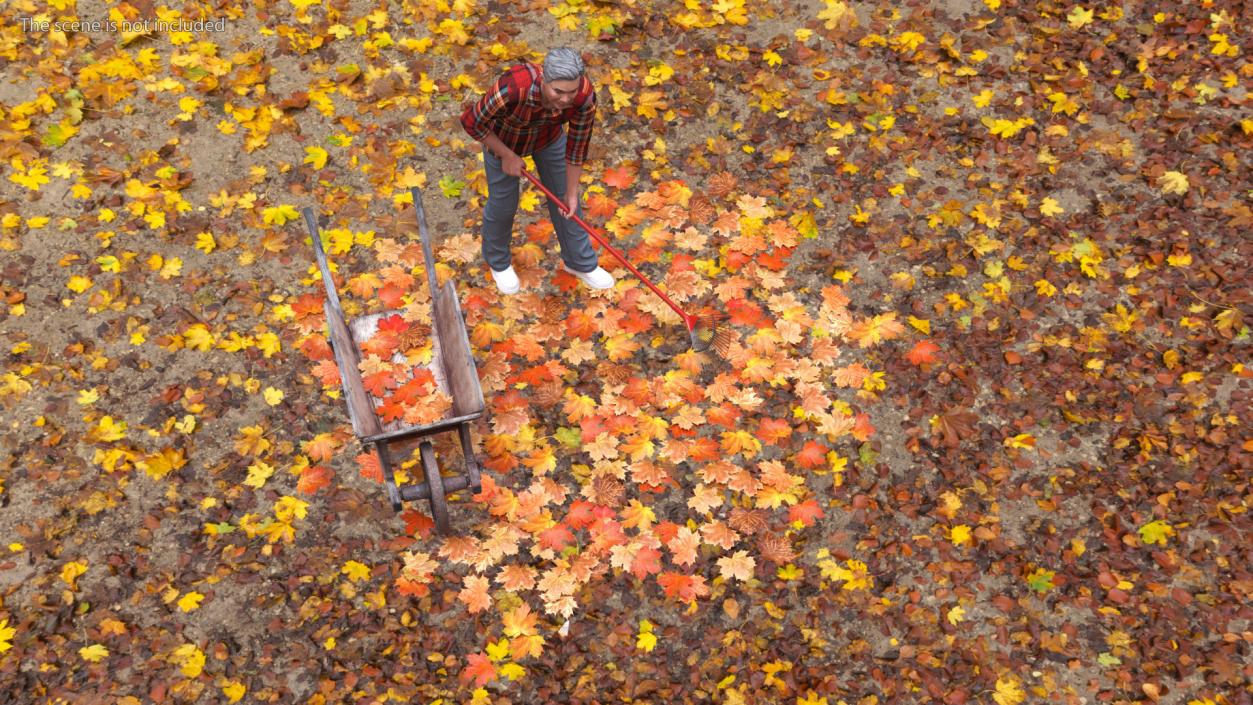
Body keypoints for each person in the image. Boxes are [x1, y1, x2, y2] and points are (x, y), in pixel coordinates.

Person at [460, 47, 615, 295]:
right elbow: (471, 121)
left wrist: (571, 193)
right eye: (558, 91)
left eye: (571, 91)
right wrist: (507, 155)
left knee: (567, 203)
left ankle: (580, 263)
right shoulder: (512, 87)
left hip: (548, 139)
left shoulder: (584, 98)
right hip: (504, 141)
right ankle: (498, 264)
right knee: (503, 204)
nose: (566, 99)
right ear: (544, 79)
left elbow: (577, 147)